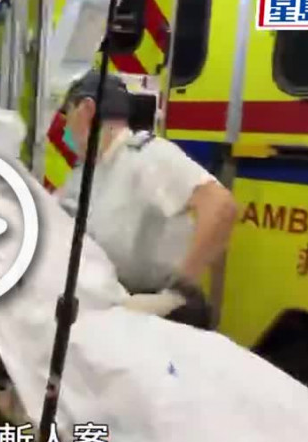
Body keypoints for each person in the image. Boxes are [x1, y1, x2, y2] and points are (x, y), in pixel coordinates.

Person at [56, 70, 238, 328]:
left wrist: (178, 291)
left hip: (163, 315)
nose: (65, 129)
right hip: (115, 307)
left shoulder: (147, 157)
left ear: (87, 110)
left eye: (67, 116)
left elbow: (221, 207)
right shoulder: (88, 173)